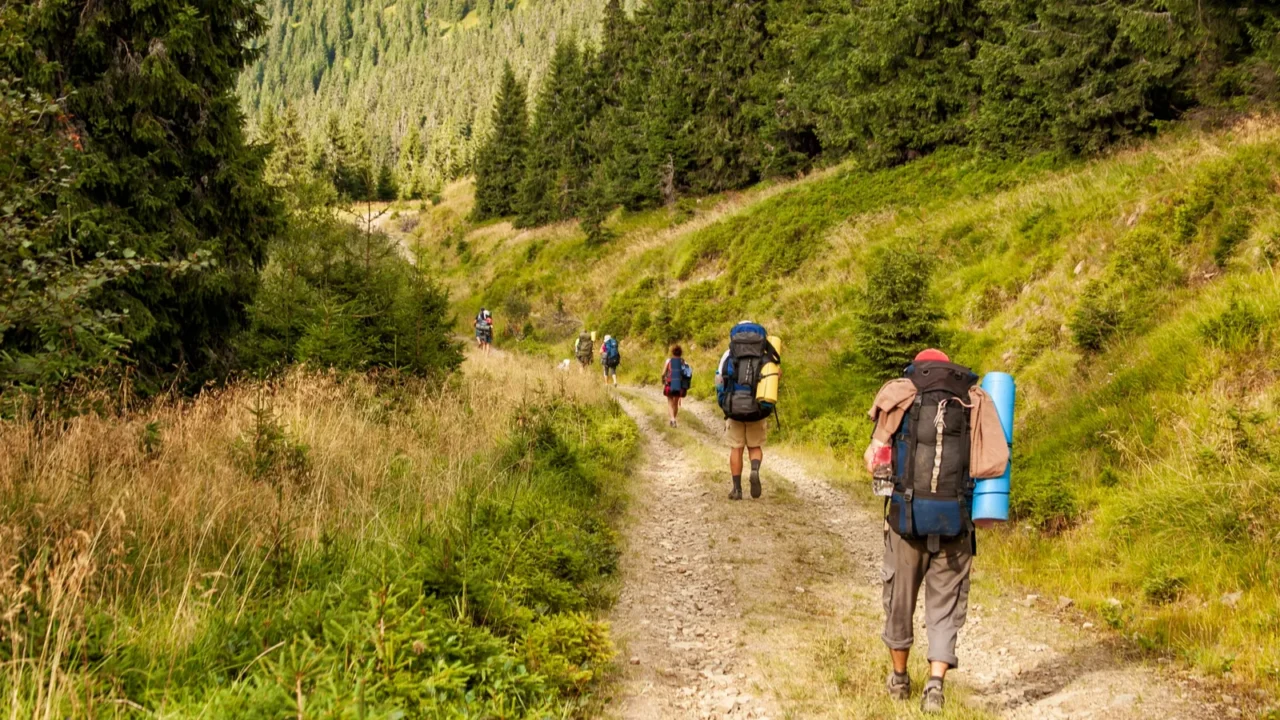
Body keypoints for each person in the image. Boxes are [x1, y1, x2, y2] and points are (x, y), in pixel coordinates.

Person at [863, 348, 1009, 714]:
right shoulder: (976, 399)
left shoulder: (902, 392)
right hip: (955, 522)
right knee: (945, 606)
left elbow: (874, 460)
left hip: (906, 521)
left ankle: (898, 679)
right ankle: (935, 685)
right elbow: (992, 462)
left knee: (899, 598)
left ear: (919, 366)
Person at [715, 321, 779, 500]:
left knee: (736, 448)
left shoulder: (729, 353)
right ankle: (754, 470)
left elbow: (719, 379)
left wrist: (723, 401)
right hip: (756, 407)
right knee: (754, 446)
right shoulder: (766, 353)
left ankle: (737, 489)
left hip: (734, 407)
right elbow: (774, 377)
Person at [661, 344, 691, 427]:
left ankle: (672, 419)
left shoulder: (669, 361)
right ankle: (673, 419)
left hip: (670, 385)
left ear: (672, 352)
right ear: (681, 353)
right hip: (679, 386)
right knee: (676, 403)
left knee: (670, 402)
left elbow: (663, 373)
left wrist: (663, 379)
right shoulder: (684, 362)